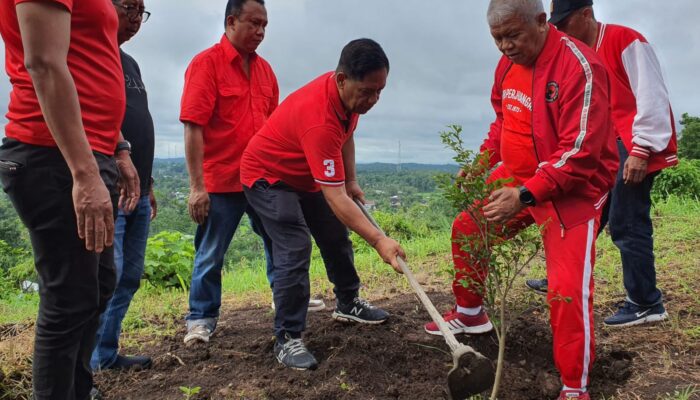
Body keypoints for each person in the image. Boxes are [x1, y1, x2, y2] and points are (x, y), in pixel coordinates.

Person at [423, 1, 619, 398]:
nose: (505, 46)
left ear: (543, 22)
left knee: (565, 289)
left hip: (574, 189)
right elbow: (504, 122)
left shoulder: (580, 67)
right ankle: (471, 315)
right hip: (521, 176)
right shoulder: (507, 65)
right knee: (468, 228)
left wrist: (526, 195)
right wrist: (481, 166)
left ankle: (574, 385)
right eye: (497, 39)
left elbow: (580, 154)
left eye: (513, 35)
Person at [0, 0, 140, 398]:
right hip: (55, 156)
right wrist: (84, 172)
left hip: (89, 153)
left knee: (96, 287)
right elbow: (44, 63)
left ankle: (79, 390)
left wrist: (118, 149)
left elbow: (86, 64)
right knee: (69, 299)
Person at [241, 38, 406, 371]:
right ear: (342, 79)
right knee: (294, 244)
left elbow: (346, 136)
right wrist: (378, 240)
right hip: (267, 177)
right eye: (368, 91)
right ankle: (287, 337)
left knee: (333, 232)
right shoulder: (319, 117)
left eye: (380, 91)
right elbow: (335, 196)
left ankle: (348, 302)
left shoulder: (348, 99)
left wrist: (351, 180)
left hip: (304, 176)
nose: (373, 100)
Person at [526, 0, 677, 328]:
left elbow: (651, 95)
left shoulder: (625, 40)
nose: (560, 32)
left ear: (586, 14)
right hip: (605, 149)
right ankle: (562, 279)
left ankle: (645, 302)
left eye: (564, 24)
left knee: (628, 221)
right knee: (585, 213)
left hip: (631, 144)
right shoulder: (576, 56)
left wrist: (641, 150)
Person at [180, 0, 324, 345]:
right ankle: (201, 317)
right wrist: (197, 187)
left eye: (265, 25)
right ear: (231, 21)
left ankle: (285, 296)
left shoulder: (265, 71)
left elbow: (277, 128)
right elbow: (193, 127)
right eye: (254, 23)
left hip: (263, 178)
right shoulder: (206, 65)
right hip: (222, 179)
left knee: (280, 243)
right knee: (212, 251)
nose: (260, 32)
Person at [91, 0, 157, 372]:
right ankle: (84, 366)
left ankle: (104, 353)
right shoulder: (88, 54)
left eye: (141, 11)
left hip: (138, 191)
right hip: (106, 187)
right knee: (105, 276)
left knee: (129, 275)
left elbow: (139, 122)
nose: (135, 19)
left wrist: (147, 185)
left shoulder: (129, 63)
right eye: (128, 7)